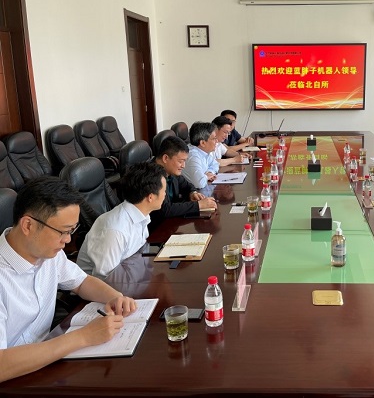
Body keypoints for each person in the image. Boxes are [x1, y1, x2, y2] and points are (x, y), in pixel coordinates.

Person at [0, 176, 137, 383]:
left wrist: (115, 297)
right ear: (28, 225)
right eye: (63, 231)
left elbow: (81, 282)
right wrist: (83, 337)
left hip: (48, 359)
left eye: (72, 230)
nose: (68, 240)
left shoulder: (46, 252)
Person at [77, 162, 167, 279]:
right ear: (151, 197)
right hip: (104, 287)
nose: (165, 194)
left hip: (129, 276)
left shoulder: (142, 215)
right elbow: (105, 279)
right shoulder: (115, 231)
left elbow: (137, 255)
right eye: (164, 191)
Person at [149, 136, 217, 232]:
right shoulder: (151, 176)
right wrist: (198, 205)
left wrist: (193, 193)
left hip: (172, 224)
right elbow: (164, 209)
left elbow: (187, 185)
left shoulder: (170, 170)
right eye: (181, 161)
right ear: (165, 158)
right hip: (156, 230)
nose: (183, 166)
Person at [181, 121, 220, 189]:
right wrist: (206, 177)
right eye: (214, 138)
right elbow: (199, 183)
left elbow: (215, 164)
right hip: (191, 192)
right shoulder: (193, 156)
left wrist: (209, 172)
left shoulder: (203, 152)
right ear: (202, 143)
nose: (217, 141)